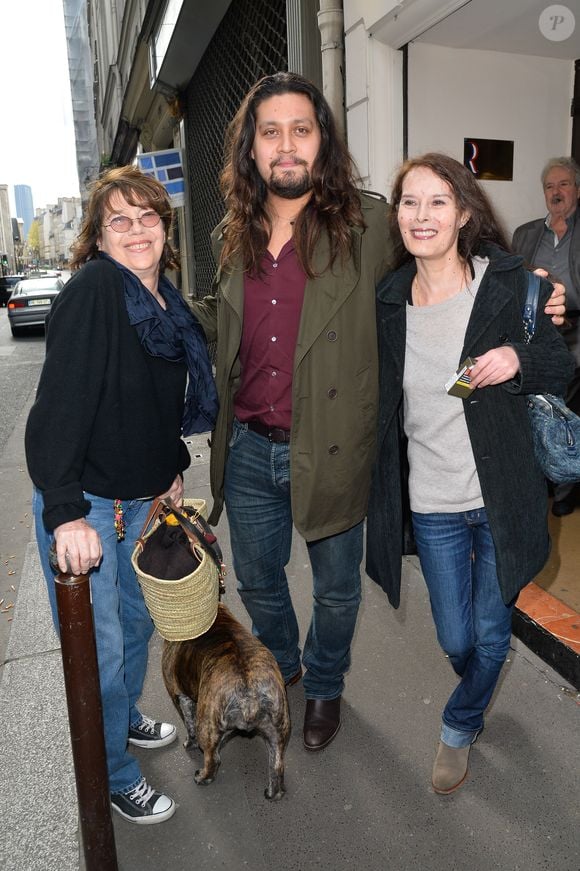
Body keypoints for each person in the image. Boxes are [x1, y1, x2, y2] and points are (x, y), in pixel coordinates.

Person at [190, 74, 567, 753]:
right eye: (269, 132)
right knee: (256, 579)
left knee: (337, 592)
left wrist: (531, 301)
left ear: (322, 141)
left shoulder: (363, 227)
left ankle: (326, 685)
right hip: (247, 444)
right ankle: (288, 664)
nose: (285, 145)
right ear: (250, 147)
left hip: (334, 445)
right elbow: (221, 323)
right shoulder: (232, 232)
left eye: (300, 130)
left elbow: (443, 253)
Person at [366, 153, 573, 795]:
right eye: (409, 202)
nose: (421, 215)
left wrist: (518, 355)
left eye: (436, 202)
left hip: (502, 496)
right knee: (458, 636)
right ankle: (478, 682)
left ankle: (459, 724)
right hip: (431, 504)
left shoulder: (508, 284)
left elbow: (559, 371)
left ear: (462, 213)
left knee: (487, 630)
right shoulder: (388, 300)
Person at [25, 166, 218, 824]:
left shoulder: (162, 299)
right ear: (99, 238)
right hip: (88, 505)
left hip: (140, 500)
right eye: (120, 220)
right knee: (100, 652)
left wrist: (169, 468)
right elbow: (55, 410)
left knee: (137, 629)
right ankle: (109, 770)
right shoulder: (95, 292)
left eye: (148, 217)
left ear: (166, 228)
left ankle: (122, 721)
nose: (137, 230)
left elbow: (157, 406)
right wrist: (64, 512)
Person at [512, 156, 580, 516]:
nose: (556, 192)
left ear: (577, 190)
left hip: (576, 326)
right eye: (549, 186)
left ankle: (565, 483)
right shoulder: (525, 233)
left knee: (564, 398)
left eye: (563, 185)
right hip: (536, 329)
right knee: (529, 399)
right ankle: (542, 477)